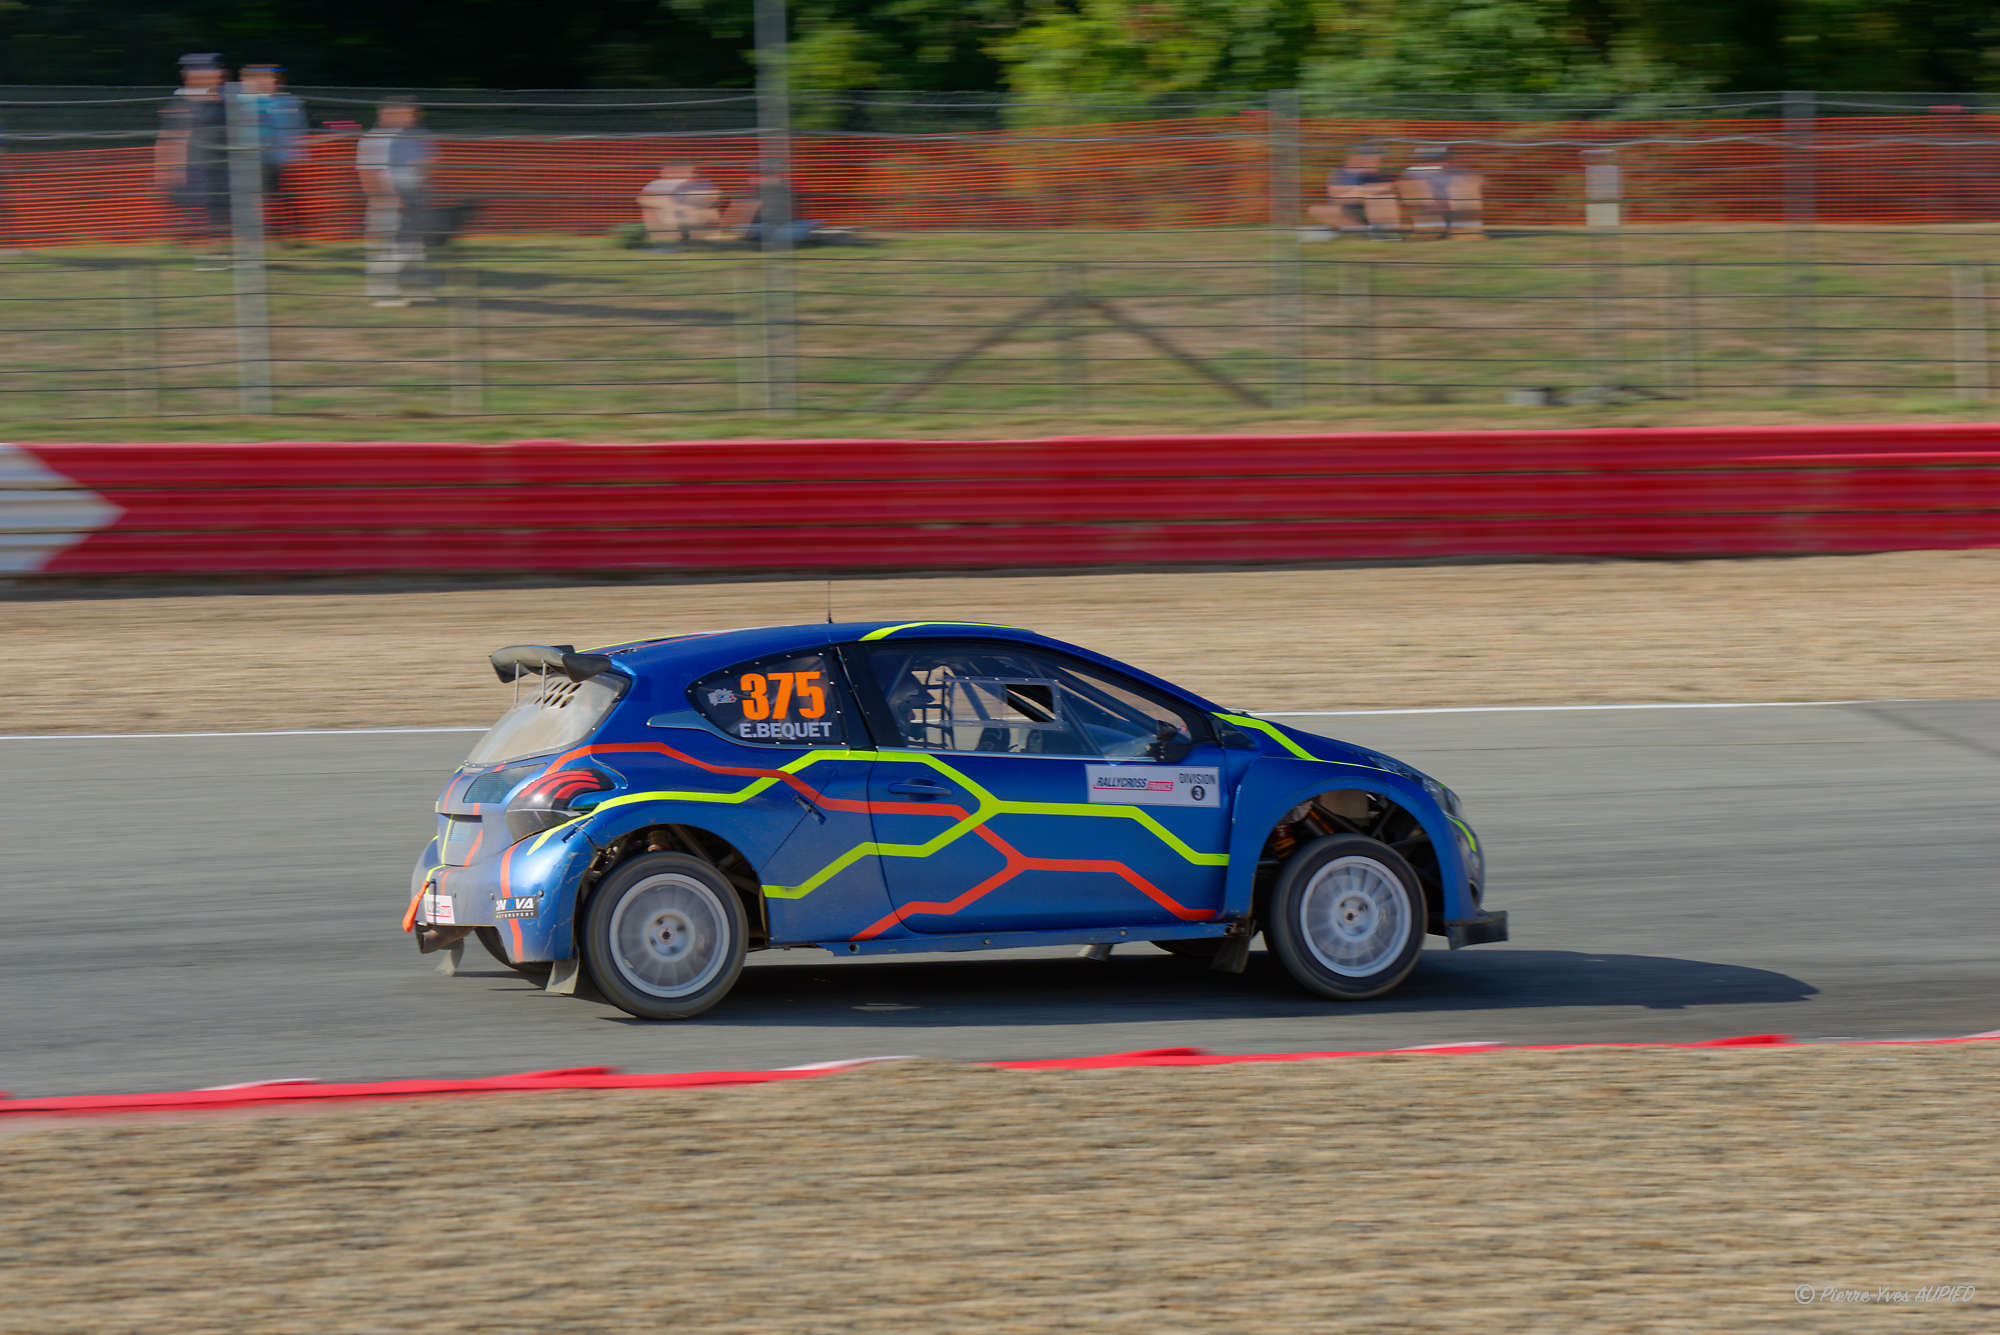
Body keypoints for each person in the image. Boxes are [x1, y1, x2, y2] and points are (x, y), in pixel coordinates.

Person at [355, 99, 435, 306]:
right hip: (390, 197)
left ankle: (418, 290)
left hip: (411, 195)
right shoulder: (375, 139)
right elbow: (368, 173)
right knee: (396, 248)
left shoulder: (415, 135)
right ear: (387, 114)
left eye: (412, 114)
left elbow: (428, 162)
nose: (412, 117)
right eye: (406, 113)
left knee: (415, 247)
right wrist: (386, 199)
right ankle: (382, 294)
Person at [155, 53, 231, 267]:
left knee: (220, 213)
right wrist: (168, 169)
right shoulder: (182, 102)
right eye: (213, 70)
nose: (219, 74)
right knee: (202, 213)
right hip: (195, 167)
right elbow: (170, 137)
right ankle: (207, 256)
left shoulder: (225, 100)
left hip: (222, 166)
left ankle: (215, 254)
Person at [240, 64, 307, 242]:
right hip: (251, 159)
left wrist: (297, 154)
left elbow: (295, 130)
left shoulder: (286, 102)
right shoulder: (243, 101)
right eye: (260, 78)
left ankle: (276, 235)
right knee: (258, 199)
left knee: (275, 199)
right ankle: (257, 236)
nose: (267, 82)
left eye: (270, 78)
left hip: (276, 161)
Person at [1306, 145, 1400, 239]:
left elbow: (1386, 189)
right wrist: (1361, 191)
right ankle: (1365, 231)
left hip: (1368, 210)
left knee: (1383, 199)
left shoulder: (1373, 174)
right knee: (1316, 209)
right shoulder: (1339, 173)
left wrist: (1358, 192)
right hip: (1347, 210)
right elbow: (1335, 196)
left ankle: (1381, 232)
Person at [1398, 145, 1486, 240]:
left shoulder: (1458, 171)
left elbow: (1479, 183)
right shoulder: (1414, 172)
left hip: (1453, 212)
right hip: (1433, 212)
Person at [636, 162, 721, 248]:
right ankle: (686, 237)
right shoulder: (684, 184)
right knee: (681, 212)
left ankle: (697, 236)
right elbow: (675, 198)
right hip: (686, 209)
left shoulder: (707, 183)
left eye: (698, 172)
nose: (696, 174)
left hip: (703, 209)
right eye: (694, 172)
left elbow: (716, 196)